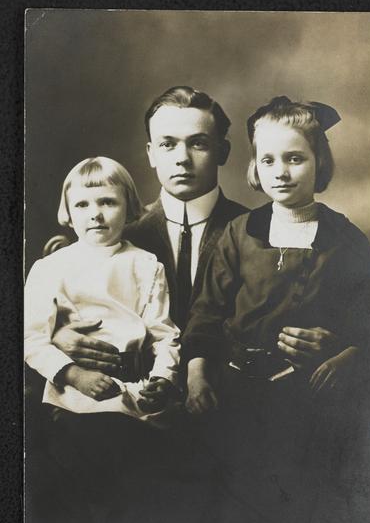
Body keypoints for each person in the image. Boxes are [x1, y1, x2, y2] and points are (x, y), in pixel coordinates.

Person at [182, 97, 370, 523]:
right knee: (236, 510)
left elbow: (368, 325)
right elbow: (206, 315)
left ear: (319, 163)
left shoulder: (346, 239)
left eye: (295, 158)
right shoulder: (238, 233)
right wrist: (197, 376)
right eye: (268, 159)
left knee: (303, 513)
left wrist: (344, 353)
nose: (281, 171)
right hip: (238, 394)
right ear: (254, 166)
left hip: (311, 401)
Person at [24, 156, 182, 523]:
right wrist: (73, 373)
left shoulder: (146, 266)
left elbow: (164, 335)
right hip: (74, 400)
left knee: (151, 486)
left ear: (129, 207)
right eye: (83, 205)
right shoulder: (51, 267)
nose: (95, 214)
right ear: (68, 213)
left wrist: (162, 378)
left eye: (108, 202)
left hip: (135, 393)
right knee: (92, 474)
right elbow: (30, 339)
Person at [50, 87, 247, 380]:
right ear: (151, 153)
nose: (182, 158)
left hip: (230, 398)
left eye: (198, 144)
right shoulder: (113, 236)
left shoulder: (254, 230)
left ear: (223, 151)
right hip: (130, 399)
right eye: (168, 144)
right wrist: (57, 335)